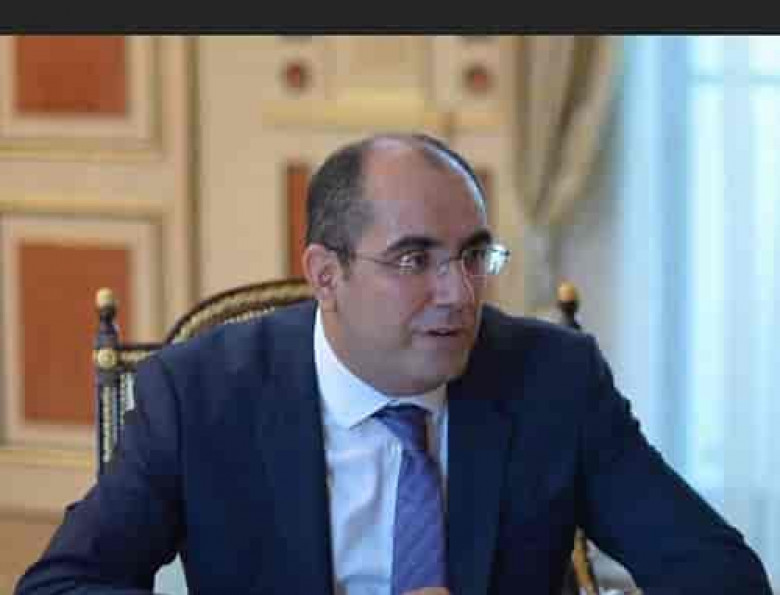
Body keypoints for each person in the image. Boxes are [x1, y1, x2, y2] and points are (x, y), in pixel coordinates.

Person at [15, 133, 771, 594]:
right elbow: (61, 585)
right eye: (414, 259)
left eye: (473, 256)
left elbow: (721, 574)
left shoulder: (553, 379)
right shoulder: (200, 393)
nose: (459, 293)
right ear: (326, 275)